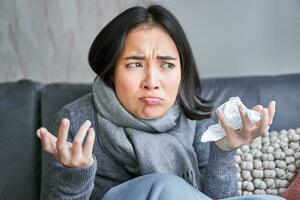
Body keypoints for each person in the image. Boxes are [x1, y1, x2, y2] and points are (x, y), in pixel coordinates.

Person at [36, 4, 284, 200]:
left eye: (167, 65)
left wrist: (224, 149)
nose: (151, 81)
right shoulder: (77, 121)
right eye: (135, 64)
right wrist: (76, 175)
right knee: (164, 184)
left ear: (181, 71)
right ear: (112, 71)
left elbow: (219, 199)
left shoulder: (195, 118)